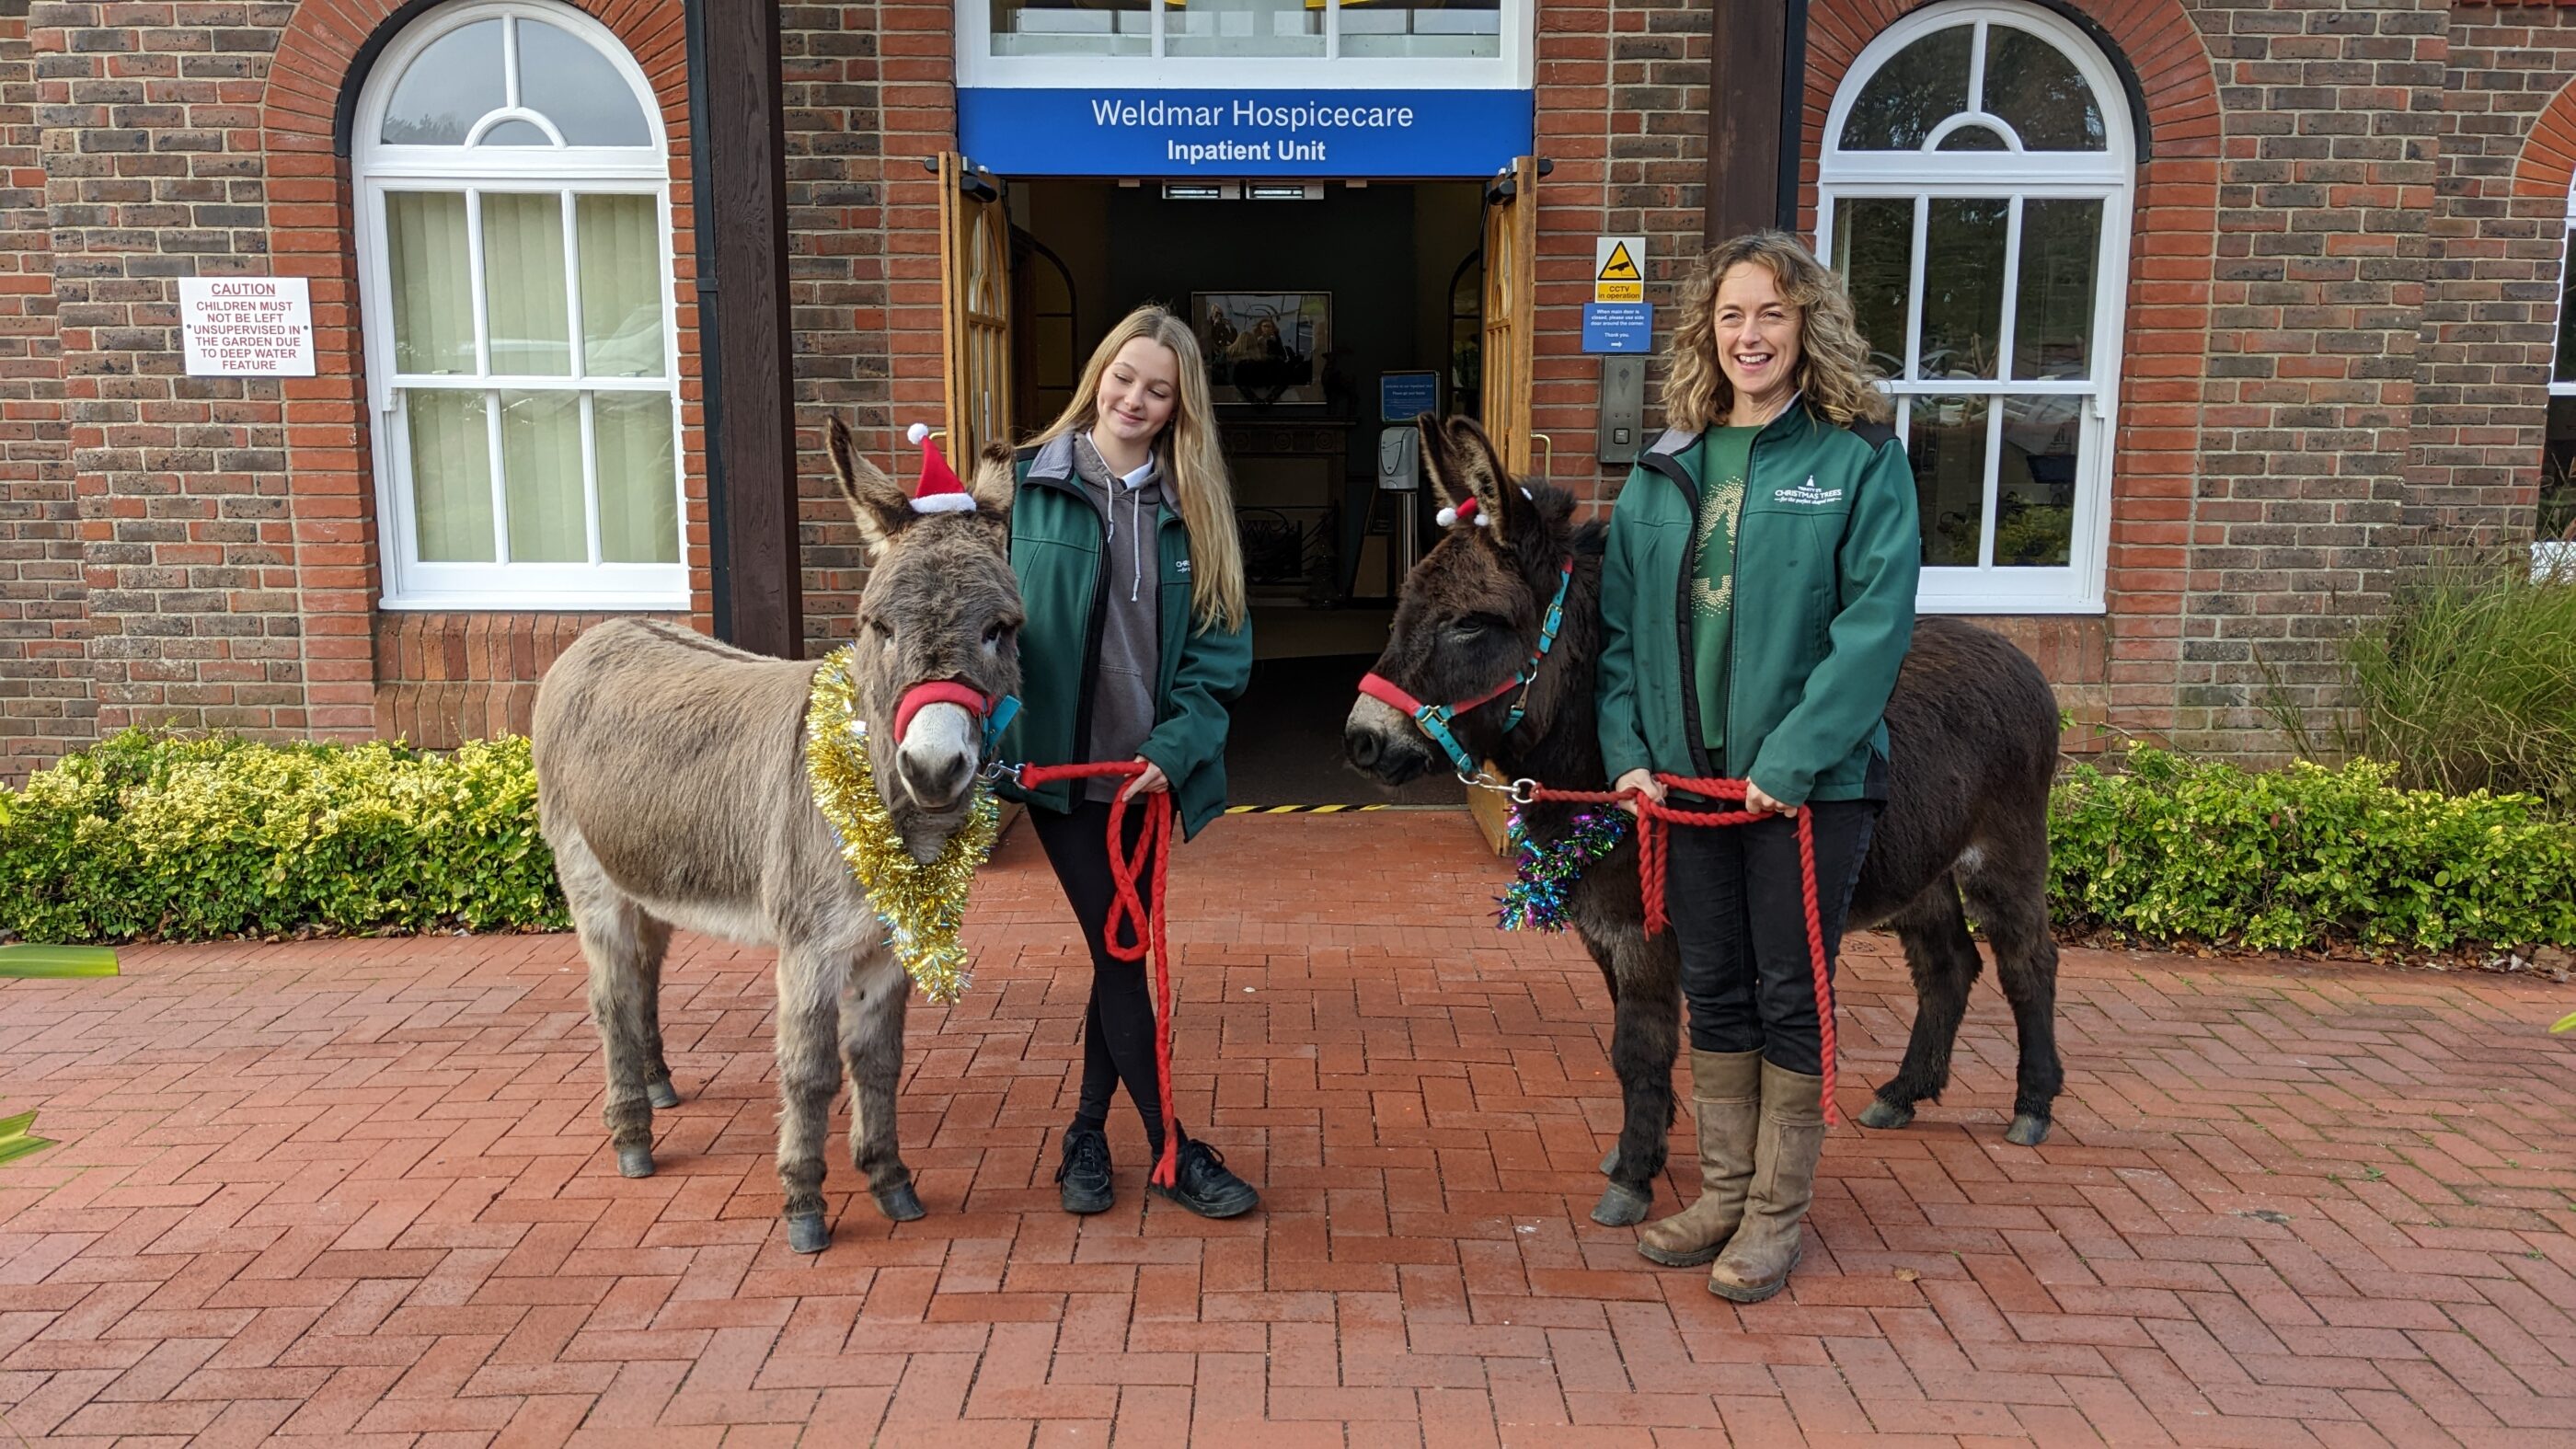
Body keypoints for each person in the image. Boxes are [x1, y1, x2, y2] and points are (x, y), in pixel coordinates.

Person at [1595, 232, 1919, 1302]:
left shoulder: (1859, 457)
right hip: (1684, 791)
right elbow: (1622, 638)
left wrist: (1796, 755)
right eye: (1732, 316)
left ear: (1806, 325)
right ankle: (1725, 1195)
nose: (1750, 336)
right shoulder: (1666, 467)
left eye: (1771, 315)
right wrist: (1629, 756)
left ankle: (1777, 1216)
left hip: (1805, 790)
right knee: (1713, 987)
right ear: (1707, 332)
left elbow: (1874, 626)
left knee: (1790, 991)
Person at [998, 304, 1259, 1219]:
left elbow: (1220, 659)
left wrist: (1172, 752)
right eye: (1123, 377)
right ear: (1097, 373)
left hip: (1144, 777)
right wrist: (995, 741)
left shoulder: (1197, 510)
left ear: (1180, 405)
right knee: (1123, 952)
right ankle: (1173, 1149)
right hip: (1063, 775)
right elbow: (978, 636)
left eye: (1158, 388)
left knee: (1120, 953)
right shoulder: (1023, 487)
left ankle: (1083, 1140)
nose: (1134, 399)